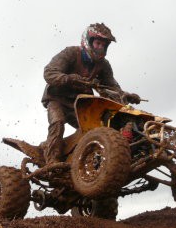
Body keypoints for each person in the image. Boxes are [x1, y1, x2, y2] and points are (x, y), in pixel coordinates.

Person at [41, 22, 141, 165]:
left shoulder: (103, 65)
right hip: (58, 99)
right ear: (88, 41)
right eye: (97, 43)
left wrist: (126, 95)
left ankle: (86, 162)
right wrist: (68, 79)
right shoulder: (70, 53)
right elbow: (49, 72)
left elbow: (111, 86)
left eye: (103, 45)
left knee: (94, 129)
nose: (100, 47)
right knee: (58, 122)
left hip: (80, 103)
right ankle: (51, 161)